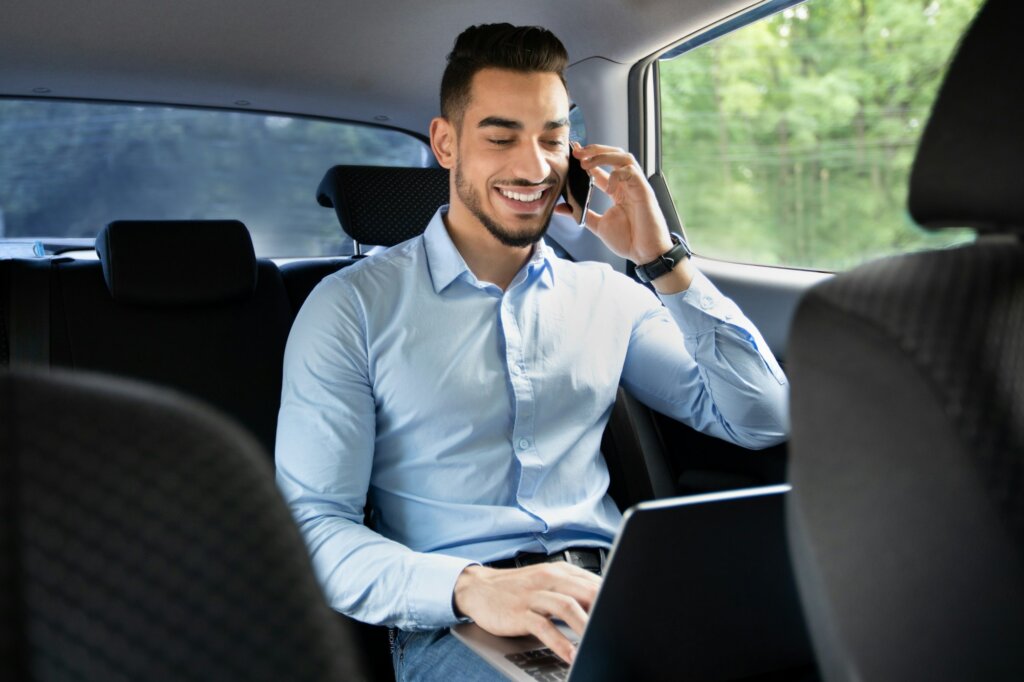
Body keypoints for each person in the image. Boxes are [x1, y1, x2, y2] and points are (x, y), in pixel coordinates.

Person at [276, 23, 788, 681]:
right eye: (501, 138)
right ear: (445, 143)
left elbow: (761, 419)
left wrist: (664, 263)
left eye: (551, 138)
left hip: (620, 601)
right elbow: (316, 533)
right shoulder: (349, 308)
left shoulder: (607, 295)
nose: (534, 166)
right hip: (463, 626)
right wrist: (473, 587)